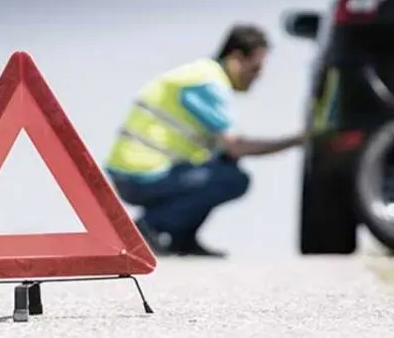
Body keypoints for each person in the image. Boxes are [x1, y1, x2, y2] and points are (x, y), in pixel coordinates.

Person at [102, 23, 310, 257]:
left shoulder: (199, 75)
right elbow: (236, 146)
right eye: (255, 68)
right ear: (236, 58)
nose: (259, 76)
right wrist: (298, 140)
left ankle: (181, 238)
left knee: (224, 166)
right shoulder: (206, 83)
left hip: (138, 172)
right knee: (232, 178)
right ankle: (149, 228)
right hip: (140, 175)